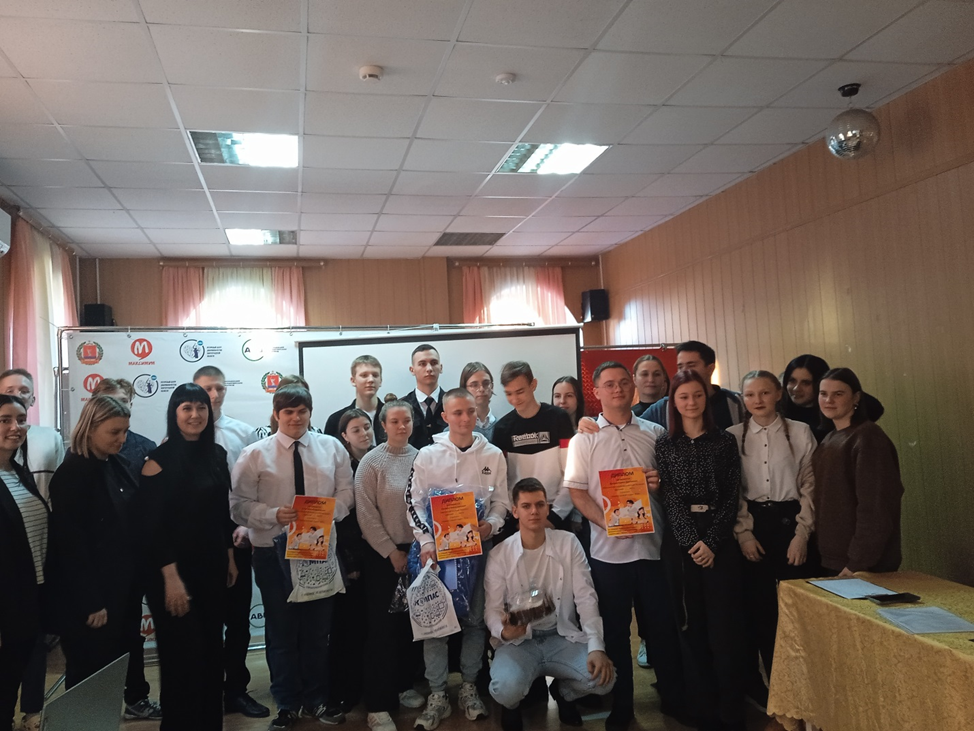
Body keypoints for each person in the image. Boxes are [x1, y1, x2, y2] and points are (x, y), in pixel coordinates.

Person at [563, 362, 687, 731]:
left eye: (622, 383)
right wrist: (609, 524)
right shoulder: (584, 439)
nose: (617, 389)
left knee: (662, 628)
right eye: (609, 384)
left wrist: (659, 484)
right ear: (596, 392)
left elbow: (672, 489)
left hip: (653, 549)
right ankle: (622, 706)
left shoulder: (656, 433)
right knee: (615, 633)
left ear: (632, 387)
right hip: (608, 555)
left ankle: (673, 698)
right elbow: (577, 493)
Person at [230, 385, 355, 731]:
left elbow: (347, 492)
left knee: (317, 633)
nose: (296, 418)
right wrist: (273, 514)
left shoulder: (332, 448)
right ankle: (286, 704)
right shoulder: (254, 454)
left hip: (319, 550)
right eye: (288, 412)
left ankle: (316, 699)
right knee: (282, 633)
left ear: (310, 412)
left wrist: (327, 513)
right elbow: (238, 506)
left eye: (302, 411)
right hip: (273, 554)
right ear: (276, 414)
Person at [405, 388, 510, 730]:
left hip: (479, 551)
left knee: (476, 621)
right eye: (457, 413)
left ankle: (468, 686)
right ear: (445, 417)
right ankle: (438, 693)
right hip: (437, 554)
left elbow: (501, 502)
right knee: (435, 623)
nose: (465, 419)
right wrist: (426, 540)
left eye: (470, 411)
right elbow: (414, 503)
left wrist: (490, 525)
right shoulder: (427, 455)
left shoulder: (492, 454)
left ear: (477, 413)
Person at [138, 384, 238, 731]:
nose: (195, 415)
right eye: (187, 408)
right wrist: (171, 578)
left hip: (212, 567)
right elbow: (153, 529)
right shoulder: (157, 462)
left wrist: (229, 556)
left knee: (212, 653)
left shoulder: (217, 455)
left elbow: (222, 513)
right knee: (182, 658)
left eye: (201, 408)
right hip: (173, 574)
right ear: (175, 413)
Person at [485, 478, 615, 731]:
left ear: (548, 508)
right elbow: (492, 608)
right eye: (526, 506)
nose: (534, 511)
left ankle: (564, 693)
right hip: (520, 642)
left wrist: (596, 646)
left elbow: (586, 597)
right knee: (504, 689)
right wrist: (504, 632)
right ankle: (512, 704)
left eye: (540, 504)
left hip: (560, 635)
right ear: (515, 511)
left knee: (604, 680)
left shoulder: (568, 543)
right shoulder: (500, 554)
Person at [656, 369, 747, 731]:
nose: (691, 402)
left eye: (697, 395)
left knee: (724, 628)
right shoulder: (665, 444)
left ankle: (731, 711)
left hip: (718, 540)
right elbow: (670, 497)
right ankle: (701, 707)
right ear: (673, 403)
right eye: (683, 397)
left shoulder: (724, 441)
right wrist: (691, 541)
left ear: (705, 399)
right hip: (681, 544)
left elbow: (731, 495)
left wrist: (711, 542)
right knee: (690, 625)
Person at [727, 371, 817, 707]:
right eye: (750, 395)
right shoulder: (732, 436)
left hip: (791, 522)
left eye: (765, 392)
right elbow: (733, 491)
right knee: (760, 610)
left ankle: (805, 689)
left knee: (798, 608)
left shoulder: (800, 431)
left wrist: (802, 533)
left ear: (779, 394)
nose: (758, 400)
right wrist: (744, 534)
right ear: (742, 399)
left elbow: (810, 486)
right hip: (753, 524)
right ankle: (772, 691)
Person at [47, 397, 142, 692]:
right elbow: (70, 546)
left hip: (120, 589)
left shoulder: (116, 464)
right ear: (90, 428)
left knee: (110, 670)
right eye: (114, 432)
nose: (122, 439)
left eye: (125, 431)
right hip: (90, 597)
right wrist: (91, 601)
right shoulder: (72, 475)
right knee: (89, 673)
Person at [193, 366, 269, 719]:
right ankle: (205, 691)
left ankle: (236, 690)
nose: (214, 395)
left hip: (236, 535)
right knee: (204, 623)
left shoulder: (243, 432)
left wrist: (247, 527)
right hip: (197, 542)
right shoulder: (178, 437)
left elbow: (255, 487)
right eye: (206, 389)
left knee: (238, 621)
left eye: (219, 388)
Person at [355, 400, 425, 731]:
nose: (401, 426)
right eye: (394, 421)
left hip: (418, 552)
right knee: (381, 630)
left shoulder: (422, 457)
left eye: (406, 420)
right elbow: (366, 514)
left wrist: (420, 548)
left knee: (410, 626)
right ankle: (378, 704)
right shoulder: (371, 462)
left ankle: (402, 685)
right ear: (383, 425)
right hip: (382, 555)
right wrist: (390, 551)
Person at [0, 369, 64, 731]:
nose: (15, 427)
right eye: (5, 420)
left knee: (12, 678)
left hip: (29, 596)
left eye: (21, 420)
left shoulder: (19, 473)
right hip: (6, 601)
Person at [813, 368, 903, 575]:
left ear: (856, 397)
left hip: (862, 564)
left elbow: (876, 507)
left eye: (838, 394)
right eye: (823, 394)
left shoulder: (868, 437)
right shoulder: (830, 438)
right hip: (835, 558)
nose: (829, 400)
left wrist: (858, 561)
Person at [327, 409, 374, 715]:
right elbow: (342, 518)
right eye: (356, 429)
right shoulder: (340, 466)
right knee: (347, 627)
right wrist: (351, 560)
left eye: (367, 427)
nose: (364, 433)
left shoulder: (380, 458)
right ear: (344, 436)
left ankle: (373, 685)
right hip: (349, 558)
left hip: (378, 554)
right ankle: (346, 689)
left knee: (373, 627)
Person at [492, 361, 576, 529]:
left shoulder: (559, 418)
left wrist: (555, 516)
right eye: (508, 394)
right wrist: (518, 514)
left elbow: (571, 473)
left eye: (520, 392)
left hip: (556, 512)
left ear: (533, 385)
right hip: (520, 517)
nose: (515, 399)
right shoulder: (502, 428)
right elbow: (502, 482)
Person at [640, 341, 744, 430]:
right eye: (680, 367)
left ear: (710, 369)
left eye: (691, 365)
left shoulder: (737, 403)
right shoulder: (663, 408)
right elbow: (635, 429)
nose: (684, 371)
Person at [780, 355, 885, 442]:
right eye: (792, 381)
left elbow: (875, 407)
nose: (796, 388)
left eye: (806, 383)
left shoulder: (833, 411)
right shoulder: (780, 408)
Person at [0, 369, 65, 499]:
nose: (17, 395)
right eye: (9, 391)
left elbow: (61, 484)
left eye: (24, 391)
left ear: (33, 399)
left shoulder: (50, 438)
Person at [91, 378, 158, 485]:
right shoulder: (81, 450)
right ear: (96, 407)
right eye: (109, 402)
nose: (116, 407)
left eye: (123, 401)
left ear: (130, 405)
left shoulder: (146, 447)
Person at [324, 356, 387, 444]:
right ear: (353, 380)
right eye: (364, 375)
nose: (371, 380)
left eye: (375, 375)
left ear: (380, 381)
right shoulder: (336, 420)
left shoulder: (392, 416)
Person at [401, 345, 447, 449]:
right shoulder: (402, 406)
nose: (429, 369)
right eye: (422, 364)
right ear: (412, 370)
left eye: (434, 363)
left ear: (441, 368)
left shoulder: (453, 404)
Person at [257, 375, 327, 439]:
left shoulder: (317, 434)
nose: (296, 418)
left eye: (301, 392)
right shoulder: (262, 434)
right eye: (289, 412)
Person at [458, 362, 497, 439]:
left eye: (486, 383)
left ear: (492, 387)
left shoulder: (503, 427)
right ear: (464, 390)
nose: (481, 389)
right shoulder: (453, 430)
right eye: (474, 385)